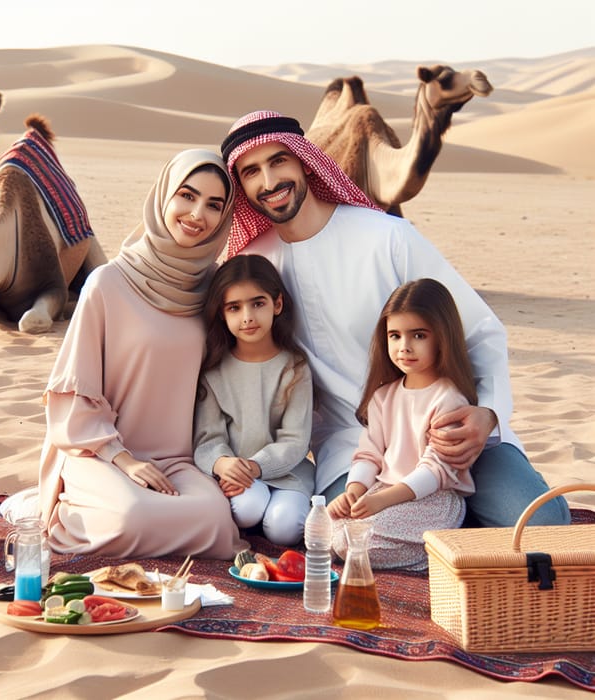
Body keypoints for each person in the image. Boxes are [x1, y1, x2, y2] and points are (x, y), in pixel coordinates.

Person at [220, 110, 570, 528]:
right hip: (354, 447)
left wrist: (488, 414)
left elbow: (480, 331)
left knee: (542, 525)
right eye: (251, 171)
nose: (269, 181)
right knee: (368, 535)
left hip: (448, 428)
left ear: (304, 161)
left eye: (279, 161)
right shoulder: (252, 268)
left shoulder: (386, 237)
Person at [37, 149, 247, 559]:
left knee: (216, 522)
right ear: (164, 196)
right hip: (99, 451)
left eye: (213, 205)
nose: (197, 214)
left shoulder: (216, 292)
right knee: (131, 518)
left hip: (177, 461)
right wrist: (124, 459)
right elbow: (72, 393)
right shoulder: (108, 283)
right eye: (186, 196)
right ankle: (62, 509)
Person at [328, 279, 478, 569]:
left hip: (432, 500)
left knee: (356, 543)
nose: (404, 347)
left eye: (418, 336)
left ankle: (427, 555)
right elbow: (368, 453)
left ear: (442, 337)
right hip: (383, 492)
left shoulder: (449, 399)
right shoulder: (384, 396)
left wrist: (382, 501)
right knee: (329, 530)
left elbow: (435, 470)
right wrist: (353, 492)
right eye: (395, 336)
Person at [193, 254, 315, 545]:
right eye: (235, 307)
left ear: (278, 304)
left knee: (285, 529)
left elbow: (296, 439)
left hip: (288, 473)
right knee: (247, 510)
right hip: (238, 476)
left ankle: (274, 515)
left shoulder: (295, 367)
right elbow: (207, 437)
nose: (247, 316)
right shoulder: (213, 370)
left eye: (257, 304)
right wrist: (222, 464)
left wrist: (257, 466)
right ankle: (257, 512)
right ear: (222, 313)